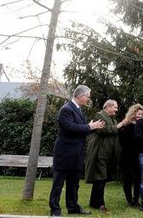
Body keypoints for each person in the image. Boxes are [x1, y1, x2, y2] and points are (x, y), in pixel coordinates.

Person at [49, 85, 105, 217]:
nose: (88, 100)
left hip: (77, 153)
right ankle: (55, 210)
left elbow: (81, 129)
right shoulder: (66, 109)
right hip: (65, 153)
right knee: (58, 184)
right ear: (80, 96)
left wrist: (94, 127)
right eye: (88, 97)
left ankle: (73, 207)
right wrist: (89, 126)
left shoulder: (78, 109)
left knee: (74, 184)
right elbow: (70, 128)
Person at [85, 99, 126, 212]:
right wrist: (118, 126)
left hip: (109, 154)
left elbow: (114, 132)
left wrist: (120, 126)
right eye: (115, 107)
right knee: (101, 178)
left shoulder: (113, 119)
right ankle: (100, 204)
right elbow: (101, 130)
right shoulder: (100, 115)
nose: (116, 110)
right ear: (108, 107)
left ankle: (93, 203)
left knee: (101, 178)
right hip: (100, 152)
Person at [118, 103, 143, 206]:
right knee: (127, 179)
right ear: (133, 113)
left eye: (142, 114)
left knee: (138, 178)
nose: (140, 116)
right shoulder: (126, 125)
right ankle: (129, 200)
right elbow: (122, 140)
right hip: (127, 156)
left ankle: (136, 199)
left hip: (139, 156)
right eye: (138, 114)